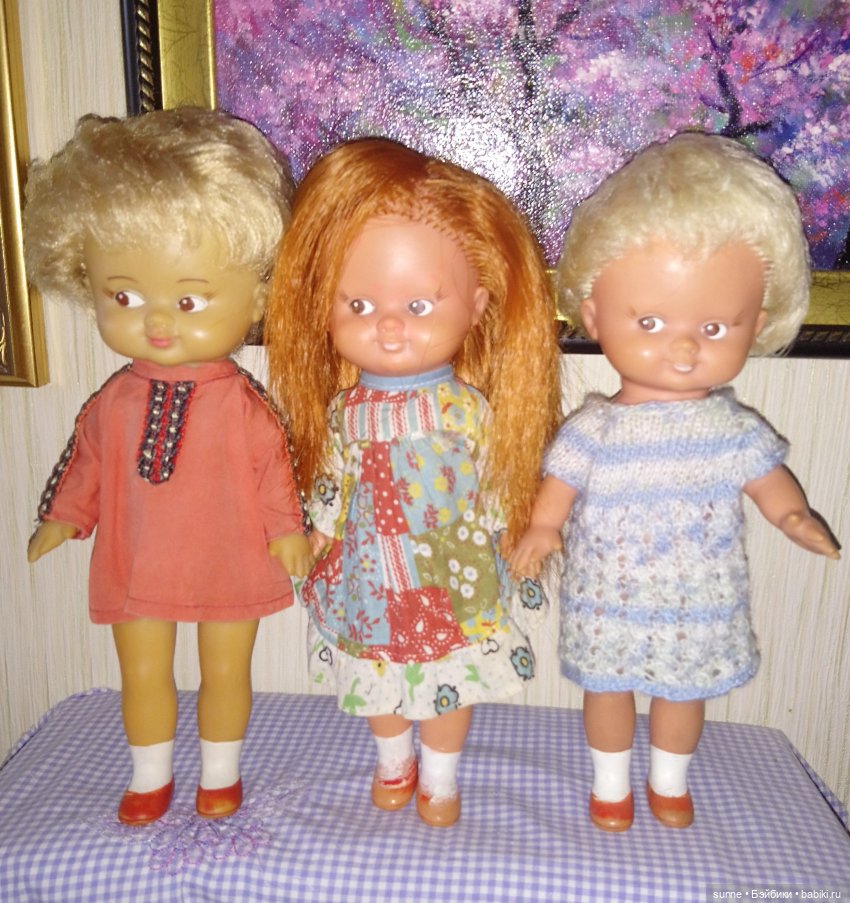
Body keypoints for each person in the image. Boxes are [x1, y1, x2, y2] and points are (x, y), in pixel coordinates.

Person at [509, 131, 840, 832]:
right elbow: (558, 487)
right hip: (608, 594)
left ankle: (669, 780)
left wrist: (794, 516)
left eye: (715, 326)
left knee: (684, 689)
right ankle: (609, 785)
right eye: (651, 321)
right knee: (607, 686)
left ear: (758, 323)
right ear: (594, 315)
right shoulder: (596, 429)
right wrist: (540, 528)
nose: (684, 346)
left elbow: (768, 480)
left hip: (698, 596)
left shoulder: (728, 430)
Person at [25, 107, 312, 825]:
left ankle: (221, 772)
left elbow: (274, 472)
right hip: (136, 558)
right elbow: (86, 464)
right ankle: (149, 774)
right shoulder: (113, 402)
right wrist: (64, 518)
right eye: (123, 296)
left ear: (258, 294)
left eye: (188, 301)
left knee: (226, 667)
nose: (157, 321)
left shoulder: (242, 405)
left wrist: (287, 533)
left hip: (229, 555)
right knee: (143, 669)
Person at [265, 137, 561, 826]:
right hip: (369, 571)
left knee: (448, 677)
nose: (390, 327)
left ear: (478, 304)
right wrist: (315, 533)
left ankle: (442, 777)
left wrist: (515, 532)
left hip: (447, 566)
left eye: (420, 307)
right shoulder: (347, 411)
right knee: (379, 676)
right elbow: (333, 484)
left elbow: (493, 480)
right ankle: (393, 762)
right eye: (359, 305)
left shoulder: (466, 409)